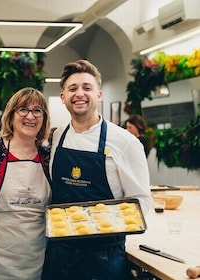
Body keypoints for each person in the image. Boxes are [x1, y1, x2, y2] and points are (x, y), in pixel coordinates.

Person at [41, 59, 153, 280]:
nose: (79, 93)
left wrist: (100, 222)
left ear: (99, 95)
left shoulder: (125, 142)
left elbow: (141, 202)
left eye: (87, 87)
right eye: (72, 88)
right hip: (60, 253)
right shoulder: (57, 136)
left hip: (103, 257)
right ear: (63, 97)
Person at [0, 87, 52, 280]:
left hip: (36, 257)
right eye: (23, 109)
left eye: (37, 110)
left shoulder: (50, 158)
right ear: (11, 116)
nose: (31, 116)